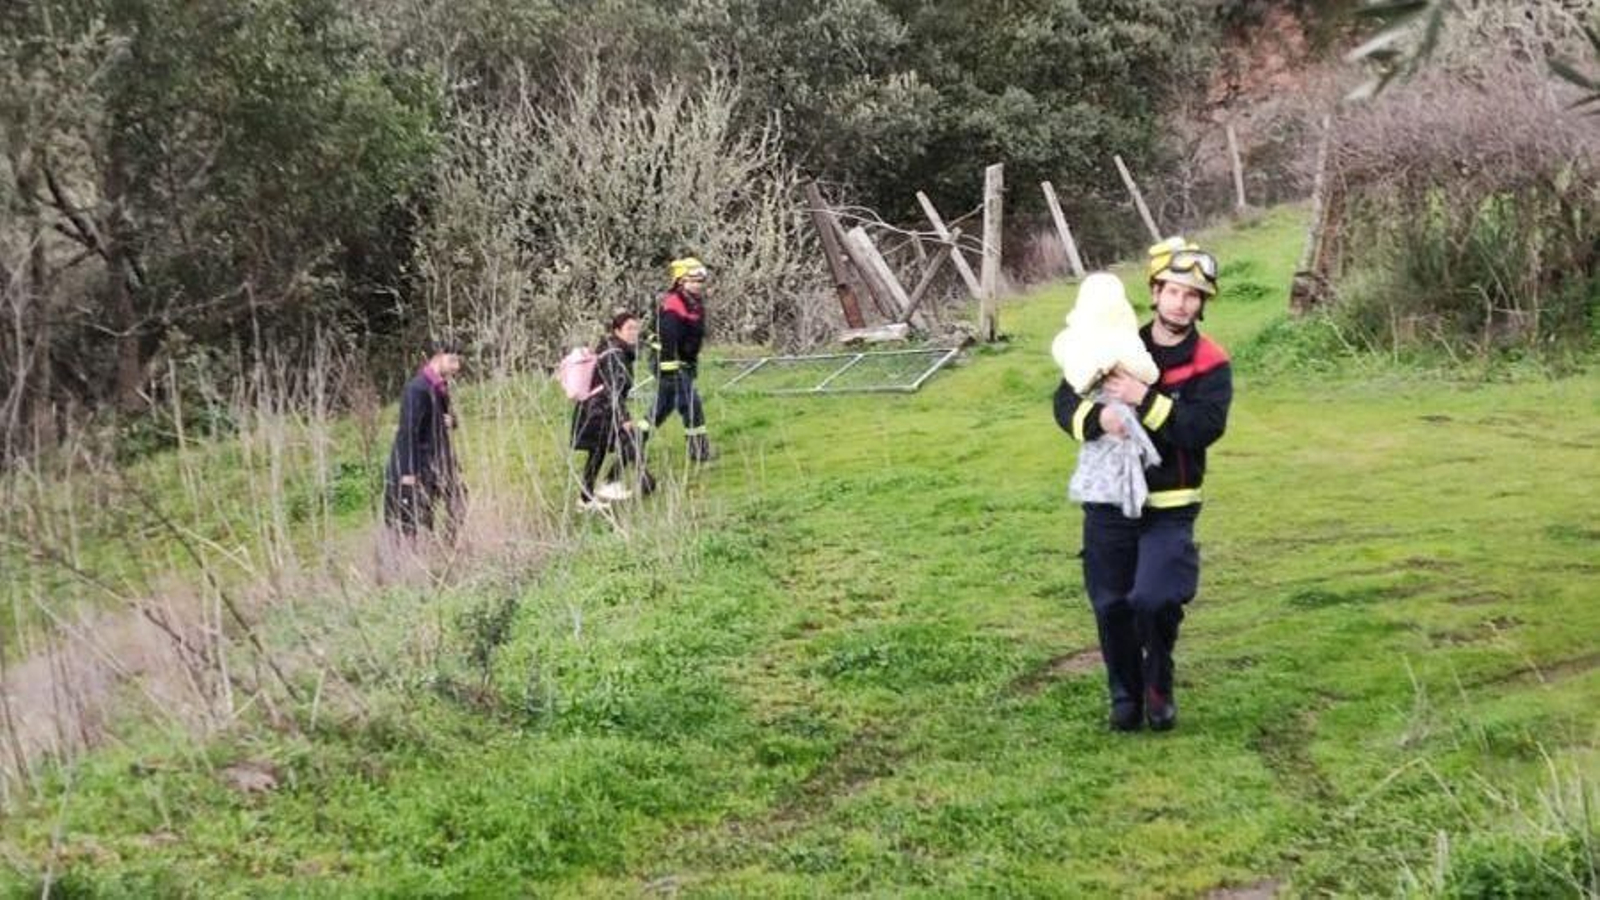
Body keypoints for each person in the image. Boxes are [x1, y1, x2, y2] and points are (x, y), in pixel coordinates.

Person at [1053, 238, 1233, 732]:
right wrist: (1099, 418)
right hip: (1109, 501)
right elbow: (1063, 404)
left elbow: (1203, 428)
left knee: (1154, 598)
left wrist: (1144, 398)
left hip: (1171, 503)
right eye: (1172, 291)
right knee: (1110, 603)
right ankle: (1125, 696)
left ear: (1202, 304)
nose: (1181, 303)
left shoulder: (1212, 363)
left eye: (1192, 295)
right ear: (1154, 293)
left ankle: (1159, 679)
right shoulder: (1116, 343)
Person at [384, 337, 466, 540]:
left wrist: (451, 421)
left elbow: (445, 419)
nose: (457, 366)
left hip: (440, 459)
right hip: (421, 462)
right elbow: (408, 431)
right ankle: (422, 557)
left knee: (459, 500)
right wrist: (409, 472)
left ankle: (450, 546)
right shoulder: (417, 389)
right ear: (438, 357)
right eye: (453, 360)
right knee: (419, 517)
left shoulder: (440, 387)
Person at [571, 309, 653, 510]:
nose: (634, 332)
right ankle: (613, 483)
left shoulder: (612, 350)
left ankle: (586, 499)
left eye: (636, 328)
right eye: (629, 328)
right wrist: (623, 417)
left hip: (592, 409)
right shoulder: (616, 355)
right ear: (617, 331)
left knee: (597, 453)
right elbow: (613, 389)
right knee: (632, 440)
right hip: (601, 411)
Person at [642, 256, 714, 462]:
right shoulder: (673, 304)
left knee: (661, 410)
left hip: (682, 364)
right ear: (681, 281)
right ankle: (700, 452)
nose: (699, 285)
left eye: (700, 281)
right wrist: (670, 372)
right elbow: (668, 341)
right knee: (691, 405)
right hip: (670, 365)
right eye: (694, 281)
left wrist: (690, 363)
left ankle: (633, 443)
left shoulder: (692, 303)